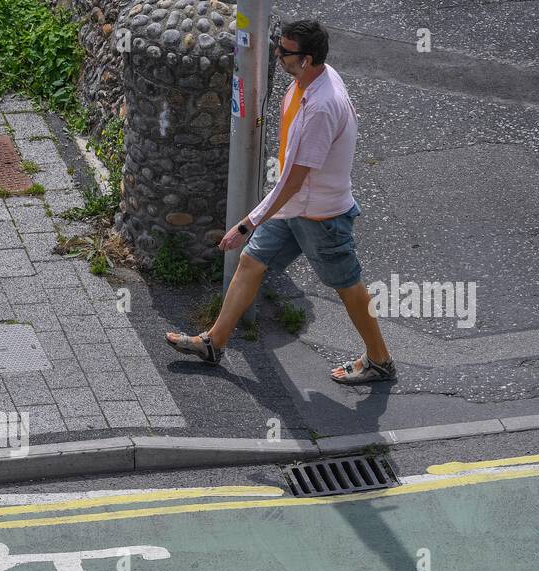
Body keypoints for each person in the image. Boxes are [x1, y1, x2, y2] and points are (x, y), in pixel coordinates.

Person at [166, 19, 395, 385]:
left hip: (321, 215)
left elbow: (293, 179)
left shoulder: (321, 107)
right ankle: (215, 342)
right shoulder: (309, 80)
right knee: (251, 262)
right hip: (294, 208)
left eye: (284, 51)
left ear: (306, 59)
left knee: (349, 285)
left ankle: (380, 360)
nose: (277, 55)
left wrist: (247, 222)